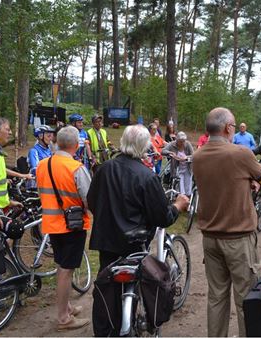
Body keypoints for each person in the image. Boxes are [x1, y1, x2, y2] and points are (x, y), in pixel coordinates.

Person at [88, 124, 189, 337]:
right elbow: (162, 216)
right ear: (144, 146)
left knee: (106, 286)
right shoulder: (146, 176)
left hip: (107, 241)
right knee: (141, 281)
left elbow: (91, 202)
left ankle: (106, 329)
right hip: (134, 243)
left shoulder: (104, 169)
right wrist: (178, 206)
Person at [192, 107, 261, 337]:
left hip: (210, 239)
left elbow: (220, 183)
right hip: (238, 239)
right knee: (247, 298)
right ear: (228, 128)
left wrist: (244, 182)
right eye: (234, 126)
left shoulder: (197, 156)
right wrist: (253, 182)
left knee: (216, 297)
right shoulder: (241, 154)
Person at [36, 126, 91, 331]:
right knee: (66, 271)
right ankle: (63, 318)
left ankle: (66, 307)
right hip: (71, 226)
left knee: (61, 265)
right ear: (76, 145)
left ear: (57, 142)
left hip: (51, 224)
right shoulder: (75, 167)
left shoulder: (42, 164)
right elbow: (89, 199)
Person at [162, 131, 194, 196]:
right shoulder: (172, 144)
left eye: (184, 141)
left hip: (187, 169)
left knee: (188, 189)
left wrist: (186, 158)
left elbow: (193, 155)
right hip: (177, 169)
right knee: (180, 189)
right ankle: (180, 200)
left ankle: (188, 201)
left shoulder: (187, 144)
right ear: (177, 140)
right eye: (181, 141)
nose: (182, 143)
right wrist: (170, 153)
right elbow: (163, 151)